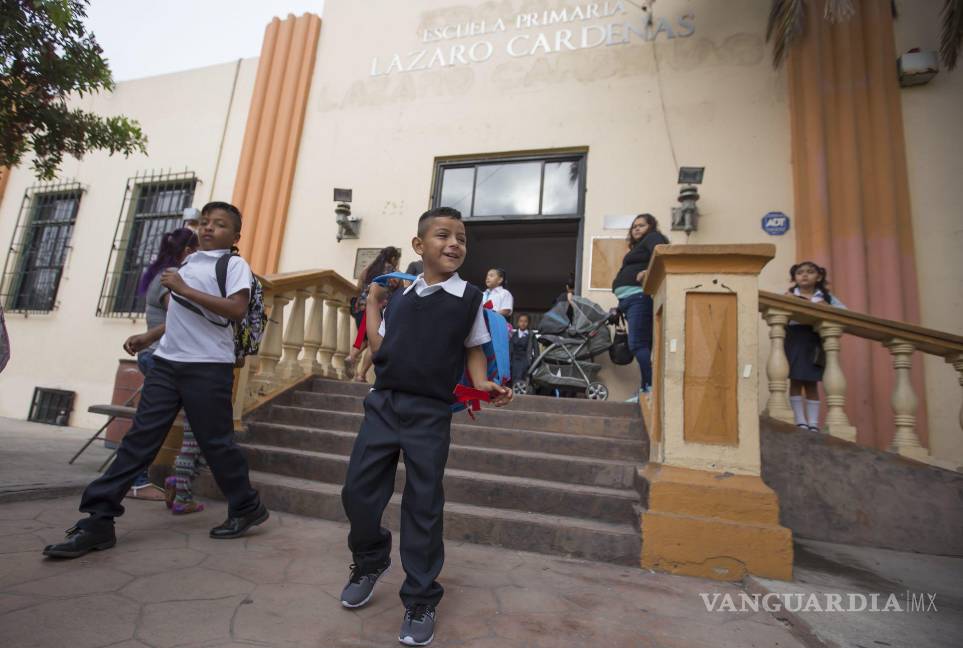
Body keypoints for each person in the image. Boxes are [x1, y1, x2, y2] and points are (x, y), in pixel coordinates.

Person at [42, 202, 268, 559]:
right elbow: (183, 314)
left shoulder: (233, 265)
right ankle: (98, 520)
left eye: (220, 224)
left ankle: (245, 505)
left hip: (208, 366)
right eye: (205, 222)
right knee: (139, 440)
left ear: (235, 236)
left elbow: (236, 309)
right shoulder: (189, 263)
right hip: (167, 363)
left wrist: (183, 288)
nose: (209, 228)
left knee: (216, 444)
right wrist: (150, 336)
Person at [339, 206, 512, 646]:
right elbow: (380, 349)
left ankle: (420, 598)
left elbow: (474, 347)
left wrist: (481, 384)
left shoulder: (470, 298)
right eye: (443, 235)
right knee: (357, 492)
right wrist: (374, 305)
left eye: (461, 238)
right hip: (383, 404)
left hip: (430, 413)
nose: (454, 243)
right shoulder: (401, 296)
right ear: (419, 245)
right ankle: (370, 559)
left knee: (423, 506)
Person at [127, 228, 202, 508]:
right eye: (198, 249)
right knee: (155, 425)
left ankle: (178, 484)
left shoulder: (164, 273)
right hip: (161, 356)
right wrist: (148, 337)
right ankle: (138, 482)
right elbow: (179, 317)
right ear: (188, 251)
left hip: (160, 355)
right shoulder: (172, 275)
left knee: (184, 422)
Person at [611, 213, 668, 397]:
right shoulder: (638, 247)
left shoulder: (653, 237)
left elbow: (662, 254)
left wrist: (648, 271)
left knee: (637, 344)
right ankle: (645, 388)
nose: (636, 229)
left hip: (639, 298)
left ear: (651, 227)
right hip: (629, 301)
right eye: (634, 226)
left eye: (641, 225)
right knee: (643, 344)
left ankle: (648, 388)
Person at [784, 261, 846, 432]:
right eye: (800, 272)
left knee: (812, 382)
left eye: (810, 272)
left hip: (815, 340)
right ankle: (800, 421)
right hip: (795, 338)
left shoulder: (826, 297)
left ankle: (813, 423)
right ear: (794, 278)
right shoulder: (789, 295)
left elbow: (844, 311)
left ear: (818, 277)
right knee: (796, 379)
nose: (804, 275)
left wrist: (826, 306)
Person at [346, 246, 401, 381]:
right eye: (397, 260)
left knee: (363, 338)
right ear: (393, 258)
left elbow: (359, 287)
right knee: (374, 342)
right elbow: (399, 290)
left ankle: (352, 358)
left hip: (361, 308)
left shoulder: (368, 269)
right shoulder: (393, 273)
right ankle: (361, 374)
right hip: (377, 310)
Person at [510, 313, 533, 385]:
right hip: (514, 360)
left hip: (525, 360)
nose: (523, 323)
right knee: (514, 377)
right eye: (521, 321)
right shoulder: (514, 334)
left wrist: (533, 362)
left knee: (523, 378)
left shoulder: (531, 335)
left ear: (528, 323)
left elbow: (536, 349)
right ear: (517, 323)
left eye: (525, 321)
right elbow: (510, 349)